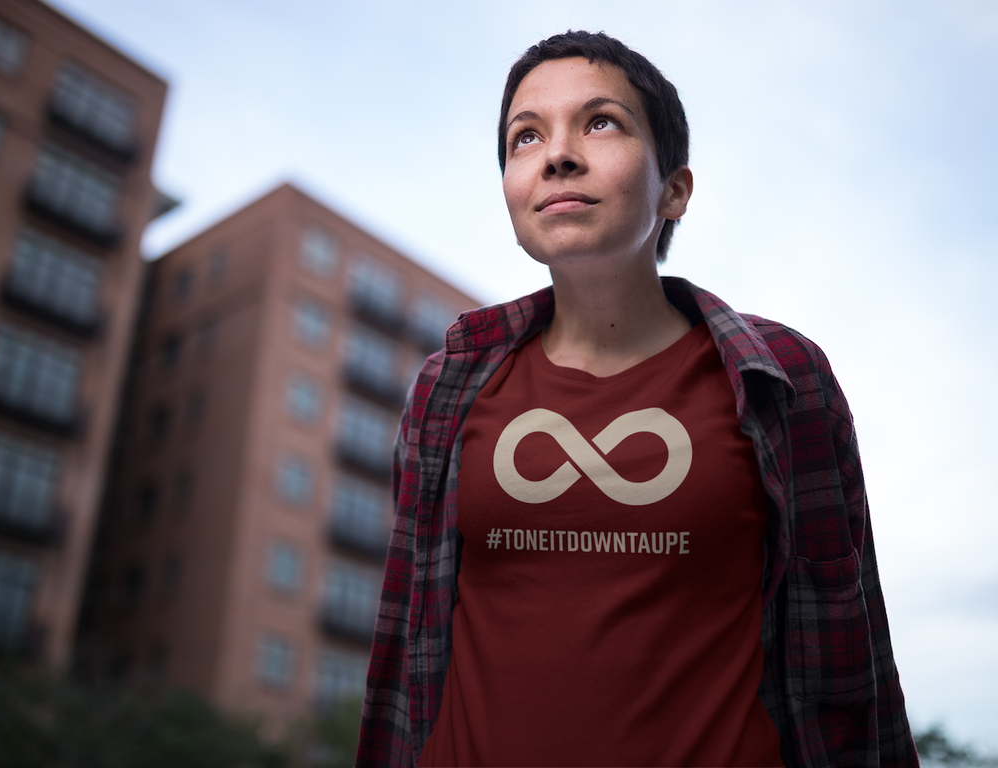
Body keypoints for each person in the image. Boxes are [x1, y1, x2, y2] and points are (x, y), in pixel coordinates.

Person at [356, 30, 918, 768]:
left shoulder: (784, 377)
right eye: (526, 137)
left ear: (674, 190)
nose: (557, 153)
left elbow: (855, 652)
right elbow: (404, 643)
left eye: (600, 122)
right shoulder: (448, 386)